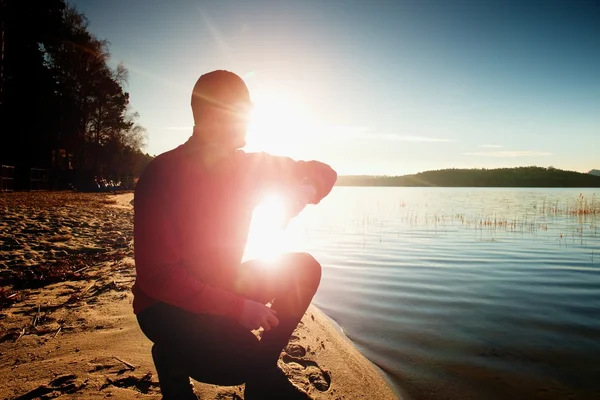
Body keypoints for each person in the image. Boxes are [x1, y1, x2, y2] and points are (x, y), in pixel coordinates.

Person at [133, 70, 337, 400]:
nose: (250, 117)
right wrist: (238, 308)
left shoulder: (248, 167)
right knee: (239, 362)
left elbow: (325, 172)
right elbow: (158, 278)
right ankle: (172, 357)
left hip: (220, 284)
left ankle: (260, 380)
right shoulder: (162, 174)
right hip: (164, 308)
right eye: (245, 109)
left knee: (305, 269)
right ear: (217, 113)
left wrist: (304, 191)